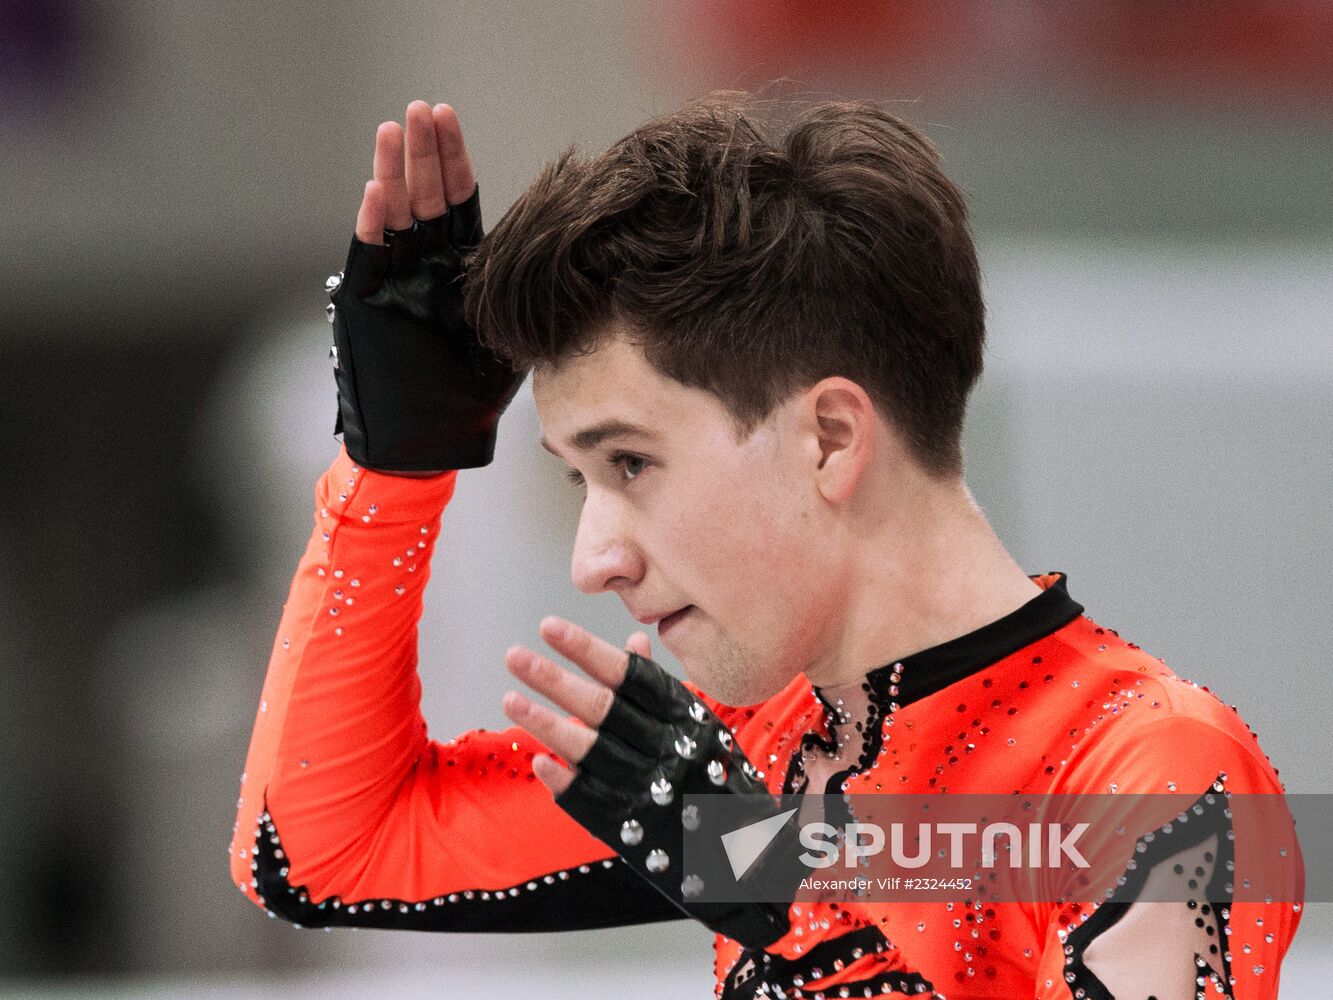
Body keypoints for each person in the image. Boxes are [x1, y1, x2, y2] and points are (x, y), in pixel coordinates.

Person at [228, 95, 1302, 999]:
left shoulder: (1152, 768)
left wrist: (778, 884)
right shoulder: (756, 751)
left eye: (631, 464)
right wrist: (393, 473)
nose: (593, 558)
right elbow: (318, 852)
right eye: (578, 479)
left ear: (829, 439)